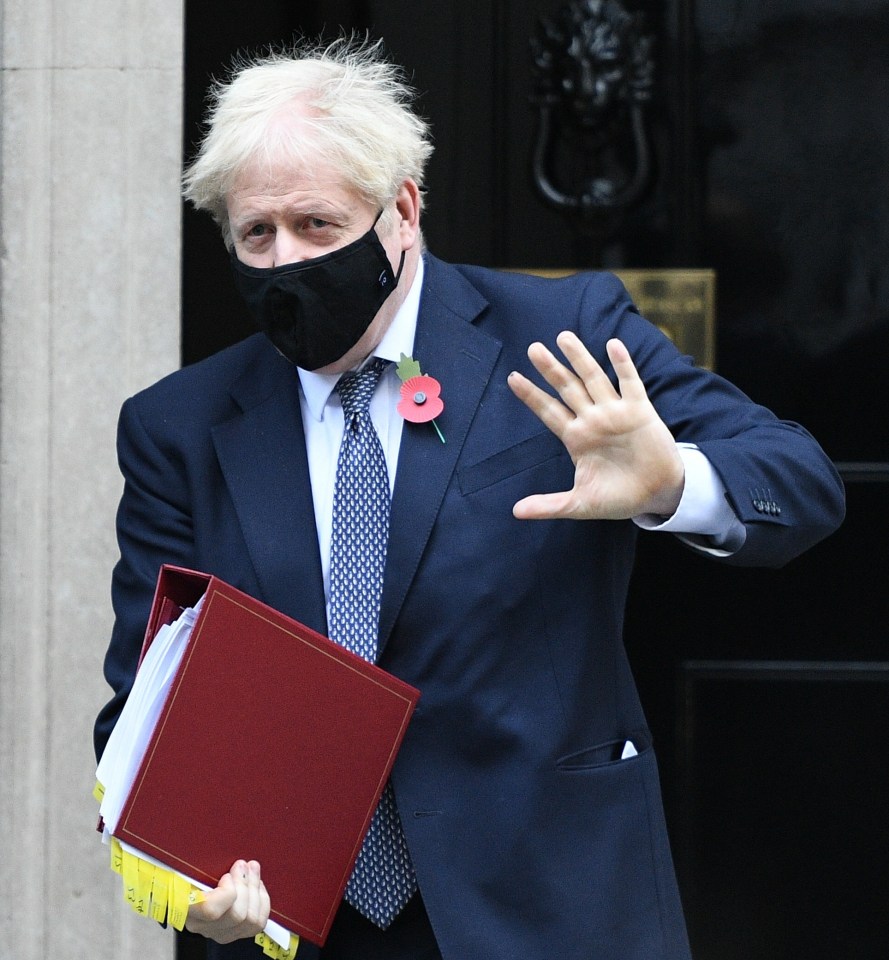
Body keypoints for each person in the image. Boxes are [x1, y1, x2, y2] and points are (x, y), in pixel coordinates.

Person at [94, 37, 845, 960]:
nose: (285, 261)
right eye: (256, 234)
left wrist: (671, 484)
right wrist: (187, 883)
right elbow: (145, 702)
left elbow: (798, 482)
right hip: (291, 922)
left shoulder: (561, 334)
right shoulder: (180, 424)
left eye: (317, 226)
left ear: (402, 210)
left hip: (547, 901)